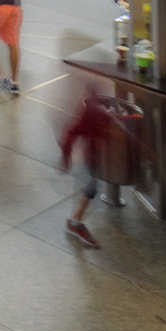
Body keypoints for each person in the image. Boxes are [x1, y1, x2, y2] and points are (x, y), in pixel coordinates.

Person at [58, 91, 124, 249]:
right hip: (89, 158)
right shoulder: (91, 112)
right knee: (91, 188)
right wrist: (66, 157)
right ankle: (75, 223)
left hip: (91, 157)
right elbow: (72, 132)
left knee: (91, 188)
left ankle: (75, 222)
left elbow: (71, 133)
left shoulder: (93, 108)